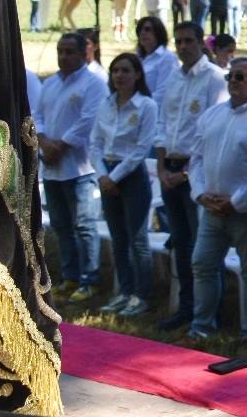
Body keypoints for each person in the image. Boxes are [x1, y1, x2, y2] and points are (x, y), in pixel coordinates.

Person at [187, 58, 247, 341]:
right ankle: (202, 325)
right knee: (202, 263)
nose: (233, 81)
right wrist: (200, 193)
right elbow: (196, 157)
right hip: (212, 206)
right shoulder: (213, 114)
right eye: (230, 76)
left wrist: (237, 201)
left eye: (241, 77)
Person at [153, 22, 229, 330]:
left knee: (204, 246)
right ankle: (186, 306)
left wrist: (186, 172)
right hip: (169, 169)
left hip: (195, 172)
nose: (183, 46)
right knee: (182, 243)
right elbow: (162, 124)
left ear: (201, 43)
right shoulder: (174, 77)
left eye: (188, 41)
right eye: (179, 41)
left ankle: (211, 311)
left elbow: (214, 131)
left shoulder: (214, 79)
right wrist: (161, 168)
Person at [36, 32, 109, 301]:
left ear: (83, 54)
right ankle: (70, 277)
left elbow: (89, 120)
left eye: (69, 52)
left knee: (84, 225)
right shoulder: (52, 83)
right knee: (61, 225)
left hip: (80, 168)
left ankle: (90, 279)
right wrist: (43, 141)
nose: (64, 57)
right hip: (53, 167)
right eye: (60, 51)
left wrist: (60, 146)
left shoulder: (94, 83)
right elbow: (38, 115)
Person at [90, 53, 157, 317]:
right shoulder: (105, 103)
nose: (119, 75)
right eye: (115, 70)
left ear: (137, 74)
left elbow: (141, 149)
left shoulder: (146, 106)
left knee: (137, 238)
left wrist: (114, 177)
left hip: (131, 177)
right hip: (107, 173)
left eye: (125, 70)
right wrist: (103, 175)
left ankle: (142, 295)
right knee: (118, 239)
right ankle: (125, 292)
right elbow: (95, 143)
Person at [136, 15, 179, 105]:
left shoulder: (167, 58)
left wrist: (141, 106)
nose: (142, 33)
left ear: (158, 32)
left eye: (147, 29)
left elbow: (163, 93)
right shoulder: (137, 58)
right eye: (140, 30)